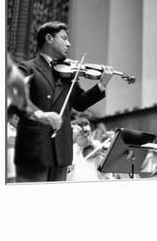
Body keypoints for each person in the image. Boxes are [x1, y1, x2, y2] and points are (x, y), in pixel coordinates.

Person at [11, 21, 114, 182]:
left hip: (61, 151)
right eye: (64, 38)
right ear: (49, 38)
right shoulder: (27, 68)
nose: (69, 43)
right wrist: (40, 115)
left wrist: (101, 84)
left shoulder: (67, 73)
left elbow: (80, 103)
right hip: (36, 149)